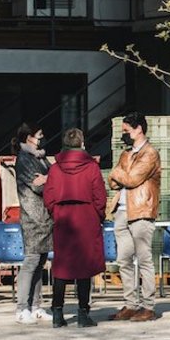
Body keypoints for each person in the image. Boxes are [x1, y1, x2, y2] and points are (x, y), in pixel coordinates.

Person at [43, 128, 107, 328]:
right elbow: (100, 196)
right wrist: (98, 215)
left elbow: (49, 196)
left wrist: (56, 212)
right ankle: (83, 313)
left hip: (64, 219)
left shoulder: (55, 169)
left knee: (62, 266)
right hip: (87, 218)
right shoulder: (91, 167)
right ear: (82, 143)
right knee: (84, 267)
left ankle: (57, 312)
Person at [108, 112, 162, 322]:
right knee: (124, 260)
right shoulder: (126, 154)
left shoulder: (150, 154)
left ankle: (148, 306)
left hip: (141, 210)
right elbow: (113, 182)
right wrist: (119, 175)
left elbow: (131, 179)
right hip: (122, 211)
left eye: (126, 130)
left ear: (139, 128)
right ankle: (130, 304)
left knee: (144, 259)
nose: (123, 134)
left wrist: (118, 173)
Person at [12, 123, 53, 325]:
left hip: (46, 216)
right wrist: (49, 179)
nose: (42, 138)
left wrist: (48, 178)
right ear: (28, 137)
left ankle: (36, 306)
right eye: (39, 135)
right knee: (31, 262)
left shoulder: (41, 157)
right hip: (33, 217)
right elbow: (37, 187)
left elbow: (51, 179)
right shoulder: (24, 159)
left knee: (40, 263)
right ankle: (22, 308)